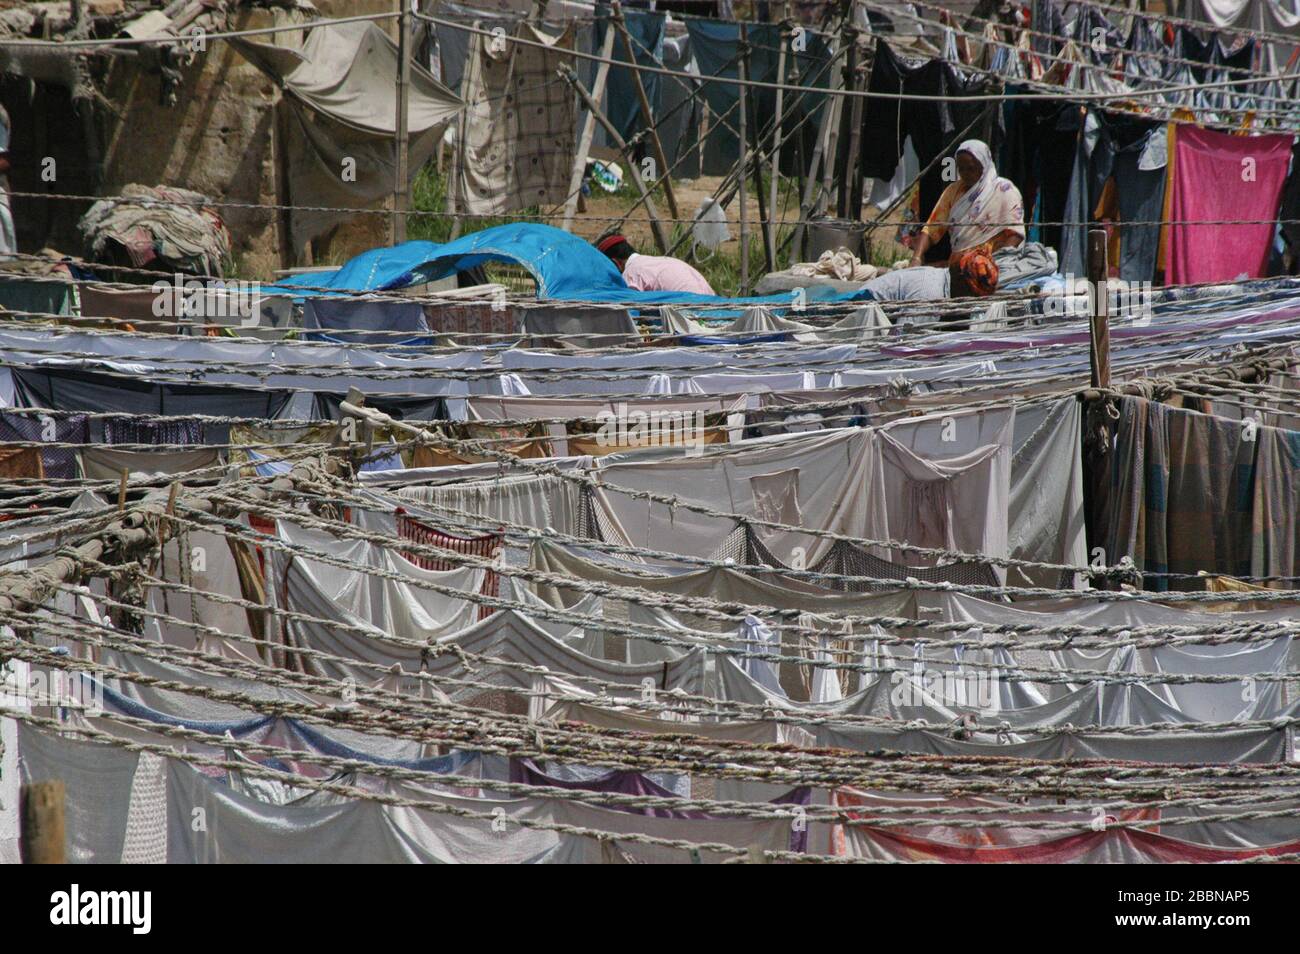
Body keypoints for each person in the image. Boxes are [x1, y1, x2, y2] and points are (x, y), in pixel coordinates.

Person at [908, 139, 1024, 268]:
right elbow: (931, 228)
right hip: (958, 266)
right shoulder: (953, 191)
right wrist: (917, 257)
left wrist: (991, 264)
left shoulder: (1004, 190)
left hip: (995, 264)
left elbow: (1015, 234)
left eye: (970, 168)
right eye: (961, 169)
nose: (965, 174)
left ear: (984, 165)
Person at [859, 247, 1000, 301]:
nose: (972, 301)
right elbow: (906, 342)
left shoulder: (946, 281)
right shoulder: (929, 295)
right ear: (959, 280)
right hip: (865, 303)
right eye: (973, 296)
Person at [596, 234, 717, 295]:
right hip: (713, 306)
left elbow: (631, 308)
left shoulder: (631, 272)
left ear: (616, 263)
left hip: (690, 312)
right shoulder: (660, 261)